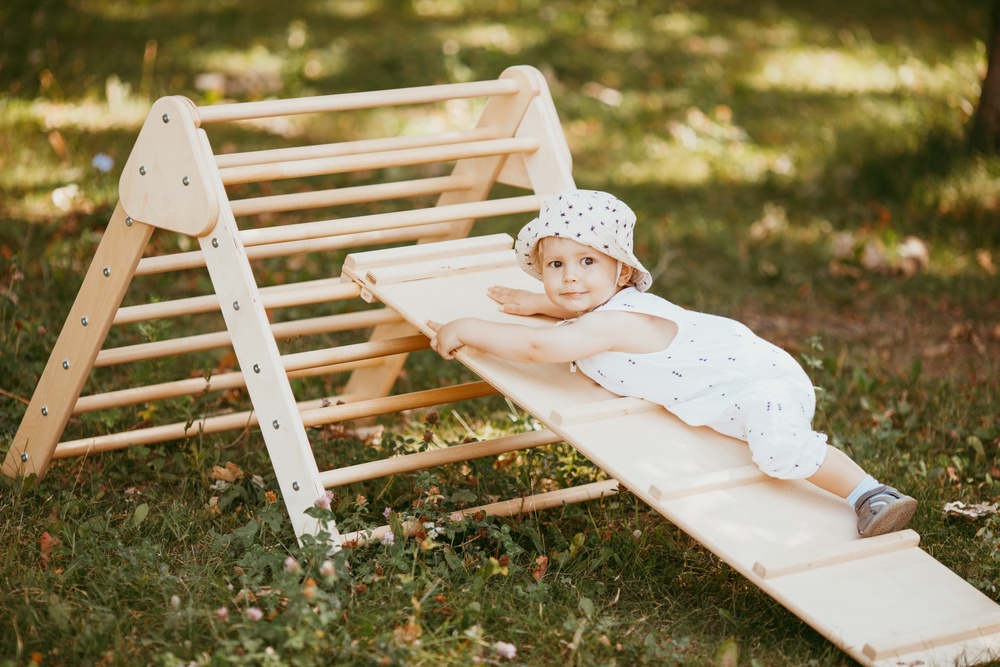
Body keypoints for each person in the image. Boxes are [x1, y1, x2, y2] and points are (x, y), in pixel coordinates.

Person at [427, 189, 917, 537]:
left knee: (778, 453)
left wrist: (469, 329)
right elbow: (582, 311)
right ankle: (868, 493)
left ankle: (871, 495)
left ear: (621, 271)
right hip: (735, 385)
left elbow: (540, 349)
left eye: (587, 263)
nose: (569, 279)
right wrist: (540, 304)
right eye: (555, 266)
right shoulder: (600, 309)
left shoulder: (610, 324)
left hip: (758, 384)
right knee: (763, 447)